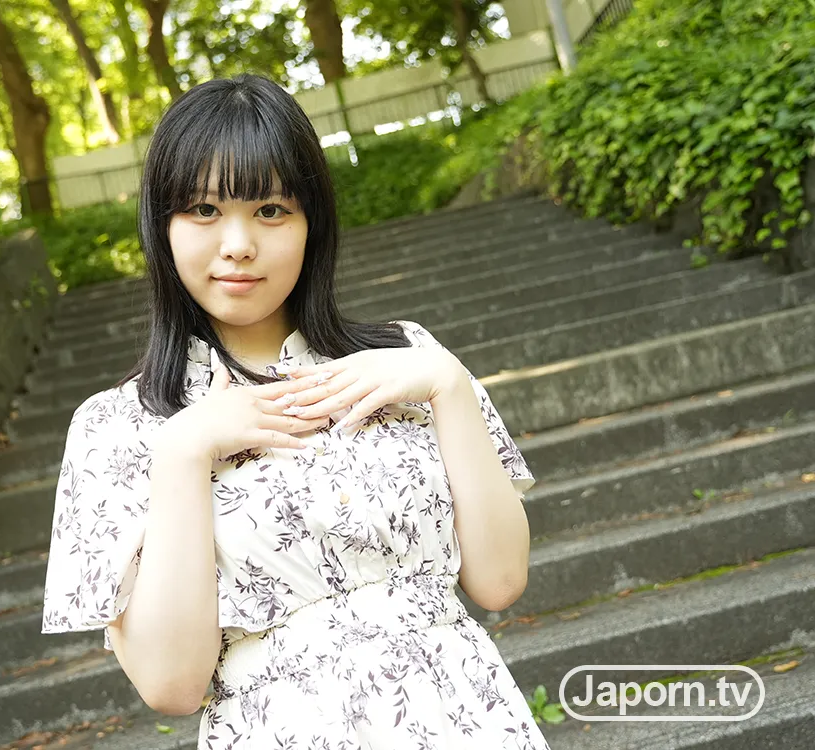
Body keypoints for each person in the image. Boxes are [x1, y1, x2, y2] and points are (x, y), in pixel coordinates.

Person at [41, 72, 550, 749]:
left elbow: (500, 581)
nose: (237, 244)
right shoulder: (116, 427)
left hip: (468, 721)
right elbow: (170, 686)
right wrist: (184, 452)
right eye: (203, 210)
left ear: (313, 223)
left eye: (271, 210)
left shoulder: (408, 360)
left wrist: (448, 385)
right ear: (161, 226)